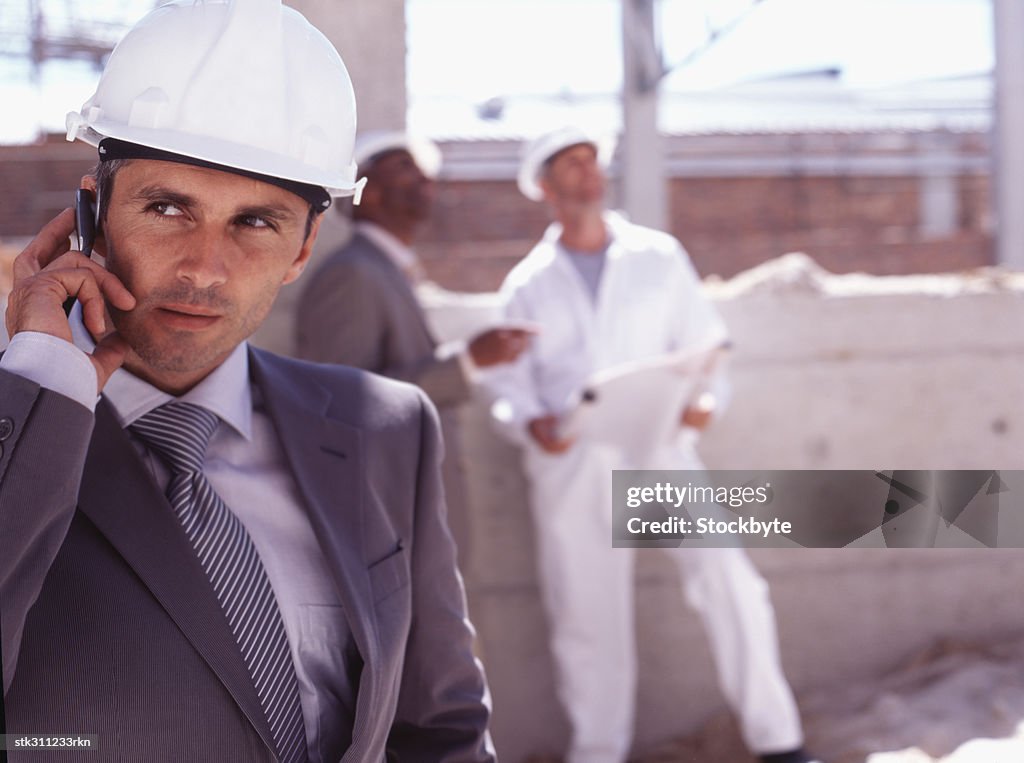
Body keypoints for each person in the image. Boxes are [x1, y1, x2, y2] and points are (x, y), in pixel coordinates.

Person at [0, 2, 494, 761]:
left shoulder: (388, 429)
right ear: (89, 218)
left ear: (302, 250)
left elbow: (441, 731)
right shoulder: (22, 430)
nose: (204, 267)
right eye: (167, 207)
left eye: (255, 223)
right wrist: (38, 381)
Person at [483, 126, 819, 763]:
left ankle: (780, 744)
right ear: (547, 188)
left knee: (730, 585)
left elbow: (708, 348)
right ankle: (599, 752)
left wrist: (703, 405)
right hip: (575, 464)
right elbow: (508, 385)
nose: (589, 172)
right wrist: (529, 423)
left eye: (593, 160)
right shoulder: (528, 284)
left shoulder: (658, 257)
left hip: (661, 451)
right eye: (571, 165)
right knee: (588, 618)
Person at [294, 131, 532, 556]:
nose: (422, 177)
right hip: (388, 517)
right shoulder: (353, 275)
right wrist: (467, 364)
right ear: (368, 193)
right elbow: (341, 402)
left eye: (423, 170)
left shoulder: (393, 271)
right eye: (403, 167)